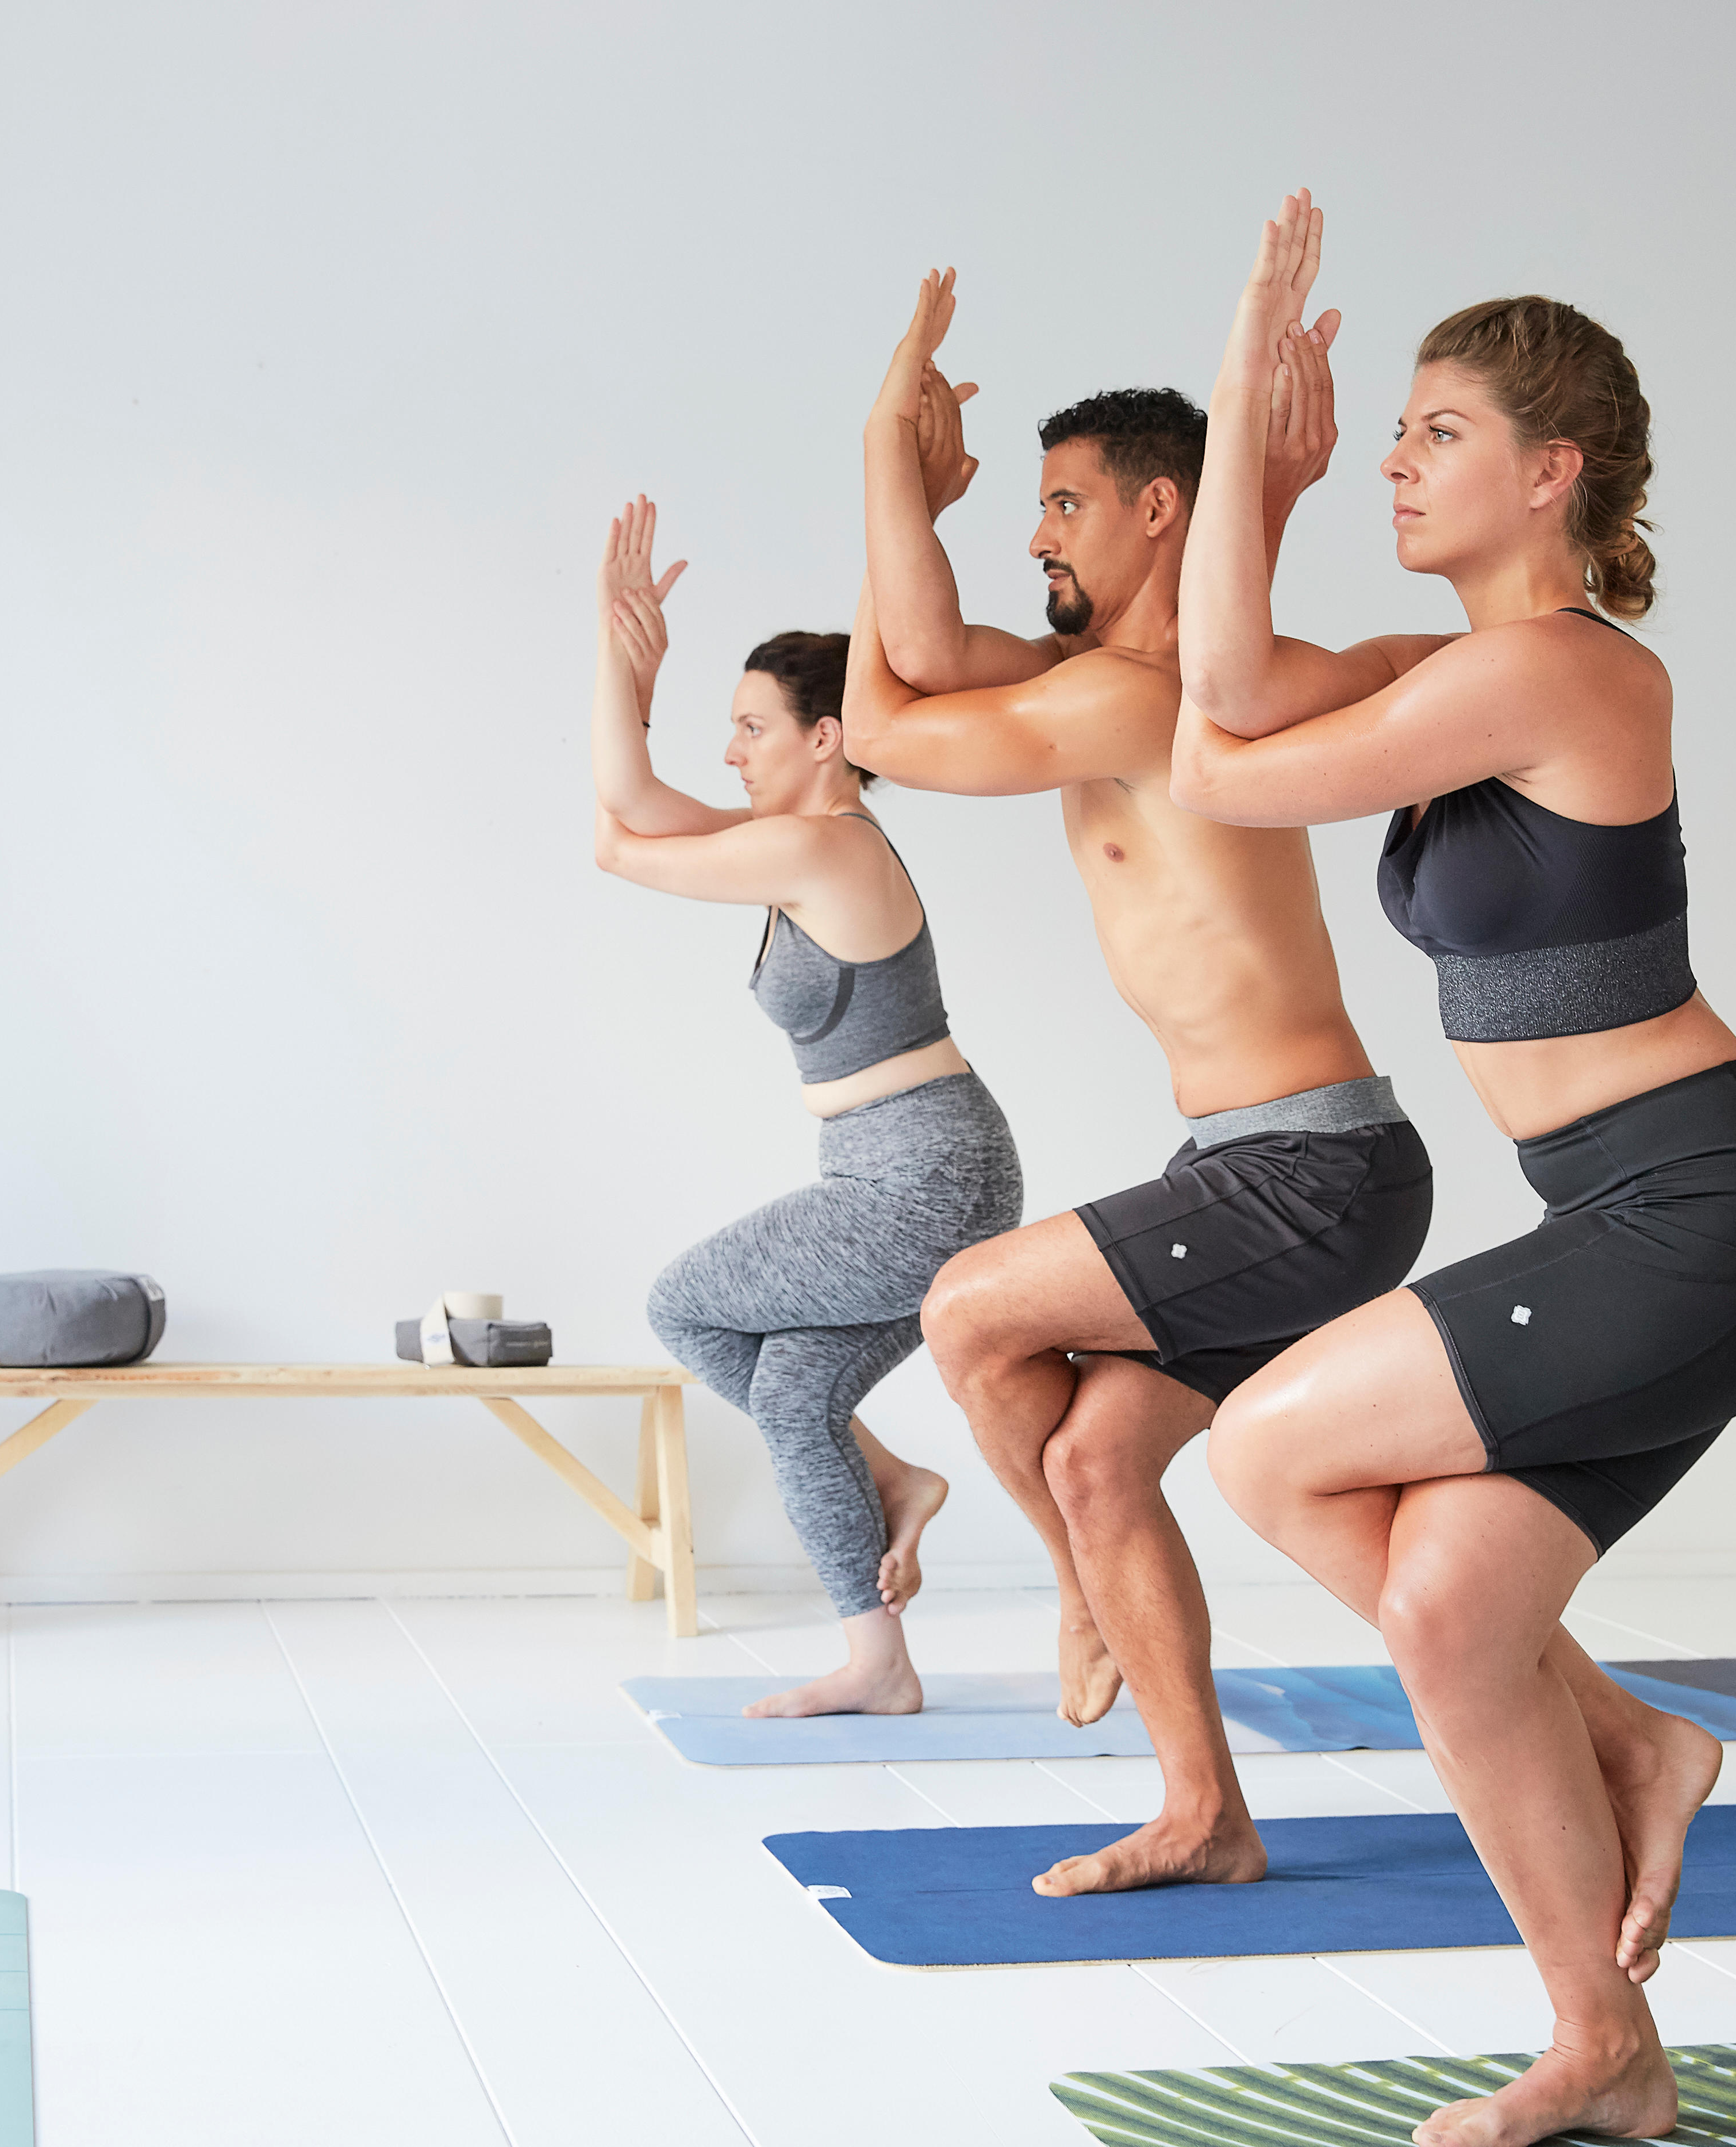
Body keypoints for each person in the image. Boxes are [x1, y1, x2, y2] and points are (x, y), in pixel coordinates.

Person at [1169, 194, 1736, 2147]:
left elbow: (1215, 763)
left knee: (1273, 1445)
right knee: (1454, 1611)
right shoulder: (1443, 662)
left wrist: (1244, 419)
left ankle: (1636, 1730)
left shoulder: (1562, 670)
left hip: (1706, 1207)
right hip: (1632, 1216)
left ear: (1552, 471)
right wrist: (1262, 449)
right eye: (1388, 430)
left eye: (1435, 431)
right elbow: (1226, 682)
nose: (1394, 456)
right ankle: (1604, 2046)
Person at [839, 274, 1435, 1896]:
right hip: (1287, 1158)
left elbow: (882, 701)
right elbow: (921, 654)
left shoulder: (1122, 698)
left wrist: (890, 455)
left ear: (1156, 509)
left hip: (1302, 1170)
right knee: (1097, 1457)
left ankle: (1081, 1586)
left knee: (968, 1306)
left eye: (1063, 507)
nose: (1039, 538)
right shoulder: (1168, 676)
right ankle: (1205, 1810)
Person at [590, 498, 1023, 1717]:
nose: (730, 753)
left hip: (924, 1179)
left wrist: (624, 678)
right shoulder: (792, 840)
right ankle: (878, 1658)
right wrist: (628, 666)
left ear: (826, 737)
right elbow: (631, 802)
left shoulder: (822, 852)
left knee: (683, 1301)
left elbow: (615, 844)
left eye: (749, 728)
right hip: (892, 1172)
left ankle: (888, 1480)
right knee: (790, 1394)